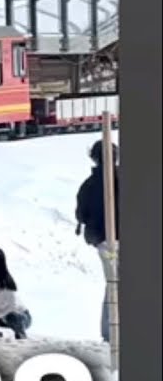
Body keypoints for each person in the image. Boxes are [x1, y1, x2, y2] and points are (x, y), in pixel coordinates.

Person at [75, 139, 119, 343]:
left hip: (102, 241)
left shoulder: (88, 184)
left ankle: (109, 332)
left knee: (112, 283)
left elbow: (81, 215)